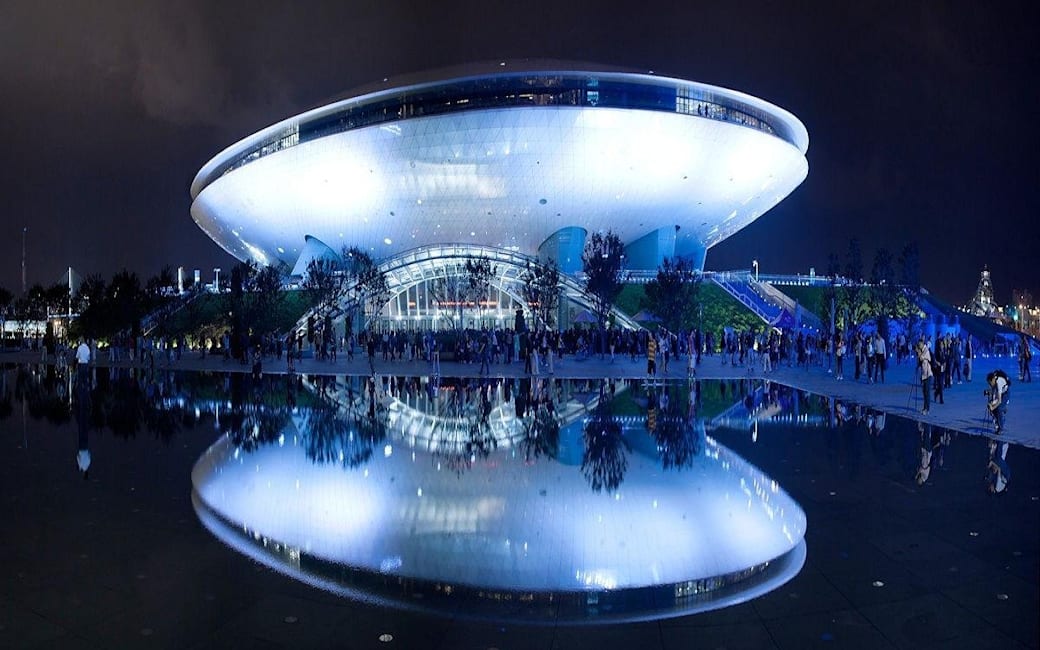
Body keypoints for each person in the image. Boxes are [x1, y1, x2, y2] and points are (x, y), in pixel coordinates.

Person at [986, 370, 1010, 434]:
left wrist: (992, 407)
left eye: (989, 383)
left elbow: (999, 400)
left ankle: (1001, 429)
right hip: (1000, 394)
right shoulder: (994, 384)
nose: (989, 385)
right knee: (994, 409)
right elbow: (994, 396)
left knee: (999, 409)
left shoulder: (999, 382)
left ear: (992, 380)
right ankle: (1000, 420)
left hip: (1005, 394)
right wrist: (991, 403)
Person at [916, 339, 932, 415]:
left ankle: (927, 409)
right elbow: (919, 362)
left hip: (928, 374)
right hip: (923, 374)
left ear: (922, 343)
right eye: (918, 345)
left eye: (920, 345)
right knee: (924, 392)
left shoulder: (926, 350)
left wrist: (919, 353)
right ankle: (924, 408)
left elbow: (921, 357)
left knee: (927, 392)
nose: (919, 346)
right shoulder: (922, 350)